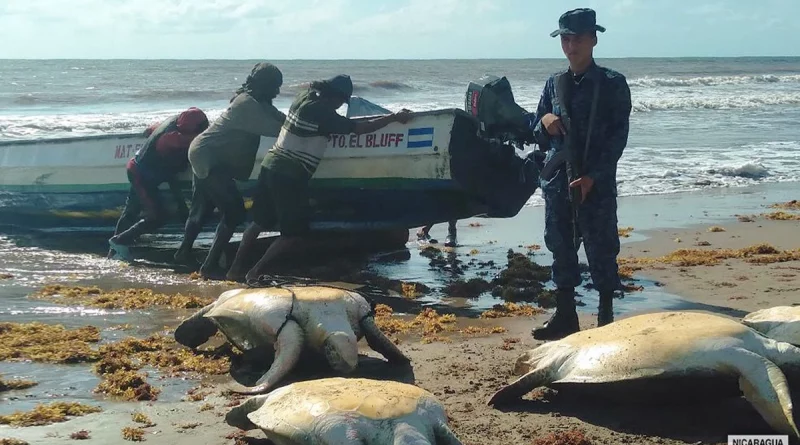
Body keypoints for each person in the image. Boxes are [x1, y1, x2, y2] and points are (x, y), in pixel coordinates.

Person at [225, 74, 413, 282]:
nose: (341, 106)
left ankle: (234, 269)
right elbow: (359, 130)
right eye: (342, 101)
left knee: (258, 222)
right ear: (334, 97)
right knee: (294, 233)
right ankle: (255, 271)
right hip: (289, 174)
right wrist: (393, 118)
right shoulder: (322, 113)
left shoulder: (303, 97)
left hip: (270, 165)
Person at [528, 8, 632, 340]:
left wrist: (594, 177)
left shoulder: (612, 83)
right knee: (560, 246)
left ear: (593, 39)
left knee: (601, 247)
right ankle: (565, 315)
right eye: (566, 39)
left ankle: (605, 316)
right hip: (559, 181)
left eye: (578, 39)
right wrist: (544, 121)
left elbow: (618, 138)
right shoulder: (554, 83)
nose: (571, 46)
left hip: (596, 182)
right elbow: (536, 129)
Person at [173, 62, 286, 278]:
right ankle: (209, 266)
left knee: (202, 209)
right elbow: (278, 129)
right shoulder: (247, 105)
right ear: (264, 85)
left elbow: (279, 117)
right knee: (234, 212)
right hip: (209, 158)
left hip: (205, 153)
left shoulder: (255, 101)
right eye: (275, 86)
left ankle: (183, 254)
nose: (278, 91)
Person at [108, 107, 209, 260]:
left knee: (132, 211)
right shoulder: (174, 138)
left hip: (148, 170)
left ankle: (114, 250)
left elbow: (151, 129)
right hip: (141, 175)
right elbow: (199, 143)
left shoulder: (172, 121)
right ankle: (119, 241)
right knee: (157, 216)